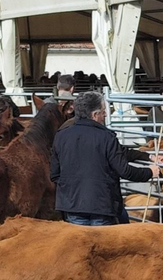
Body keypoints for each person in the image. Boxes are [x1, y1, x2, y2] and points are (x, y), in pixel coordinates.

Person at [50, 91, 145, 226]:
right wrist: (149, 172)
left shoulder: (61, 136)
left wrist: (70, 188)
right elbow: (124, 170)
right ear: (95, 115)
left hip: (72, 205)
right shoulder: (106, 137)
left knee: (80, 244)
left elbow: (54, 173)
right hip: (102, 205)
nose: (106, 114)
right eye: (104, 111)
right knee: (102, 245)